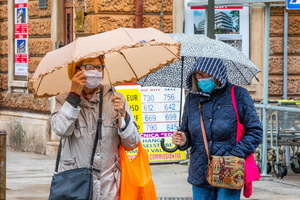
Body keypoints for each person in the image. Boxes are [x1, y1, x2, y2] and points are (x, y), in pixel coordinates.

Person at [172, 57, 262, 200]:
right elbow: (186, 131)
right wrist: (183, 139)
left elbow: (255, 132)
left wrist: (233, 155)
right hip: (200, 171)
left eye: (205, 74)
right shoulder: (191, 98)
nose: (201, 78)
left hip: (228, 170)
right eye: (197, 74)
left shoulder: (238, 94)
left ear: (217, 74)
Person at [50, 56, 140, 200]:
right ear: (76, 71)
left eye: (99, 67)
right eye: (90, 67)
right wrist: (73, 96)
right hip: (75, 186)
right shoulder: (63, 99)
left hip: (108, 188)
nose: (96, 72)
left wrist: (124, 117)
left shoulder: (115, 99)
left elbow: (132, 143)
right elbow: (60, 129)